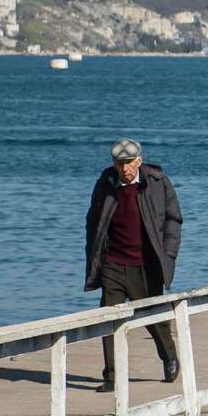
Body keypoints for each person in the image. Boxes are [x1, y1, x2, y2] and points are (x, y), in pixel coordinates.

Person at [85, 139, 183, 390]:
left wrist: (168, 255)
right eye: (120, 164)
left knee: (154, 319)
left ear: (139, 160)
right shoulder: (105, 184)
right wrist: (95, 255)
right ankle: (111, 376)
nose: (124, 169)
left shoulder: (159, 183)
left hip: (146, 264)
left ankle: (169, 357)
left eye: (129, 163)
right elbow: (93, 221)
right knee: (109, 319)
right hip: (113, 263)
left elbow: (173, 221)